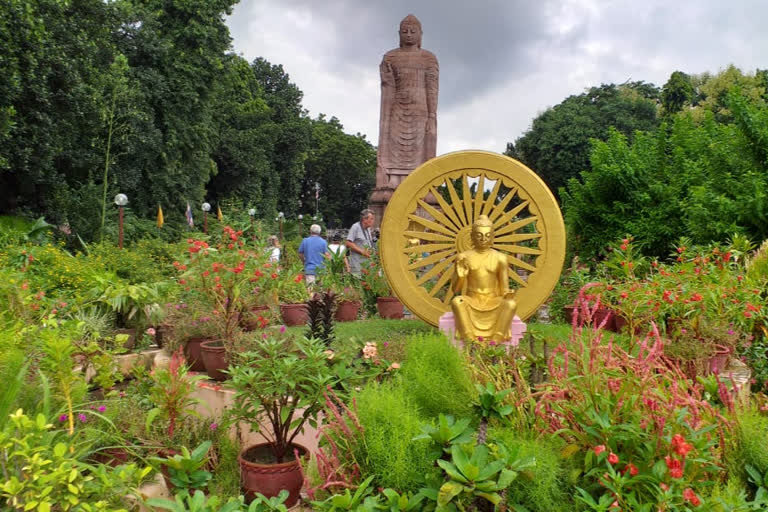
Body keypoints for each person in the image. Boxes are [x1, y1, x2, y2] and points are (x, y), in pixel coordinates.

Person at [451, 215, 517, 343]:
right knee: (457, 302)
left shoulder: (500, 258)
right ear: (472, 237)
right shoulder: (463, 257)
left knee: (511, 304)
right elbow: (456, 290)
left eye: (487, 235)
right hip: (472, 299)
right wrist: (460, 276)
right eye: (479, 235)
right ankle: (471, 340)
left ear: (492, 237)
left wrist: (509, 294)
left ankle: (496, 340)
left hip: (492, 300)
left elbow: (504, 289)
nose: (483, 239)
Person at [346, 209, 375, 276]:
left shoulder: (368, 229)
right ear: (364, 219)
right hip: (357, 263)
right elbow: (348, 243)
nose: (373, 221)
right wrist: (362, 252)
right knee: (357, 284)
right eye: (371, 219)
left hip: (366, 263)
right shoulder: (355, 227)